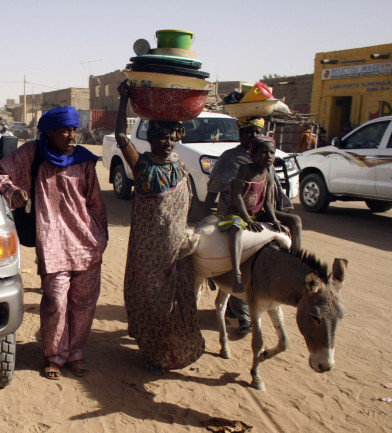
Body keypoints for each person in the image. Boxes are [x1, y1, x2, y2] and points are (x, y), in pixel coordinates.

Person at [0, 105, 108, 380]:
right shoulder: (33, 153)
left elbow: (97, 204)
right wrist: (12, 190)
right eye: (65, 130)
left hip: (86, 243)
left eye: (74, 130)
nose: (71, 135)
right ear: (49, 132)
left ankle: (75, 353)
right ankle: (54, 356)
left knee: (83, 303)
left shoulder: (85, 160)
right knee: (55, 300)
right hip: (52, 242)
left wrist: (100, 239)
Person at [115, 81, 204, 375]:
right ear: (151, 141)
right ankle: (153, 353)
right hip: (148, 253)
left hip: (175, 248)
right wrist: (124, 99)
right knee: (151, 301)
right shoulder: (143, 167)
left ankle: (173, 348)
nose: (167, 143)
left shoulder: (179, 167)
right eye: (161, 138)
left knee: (176, 301)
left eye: (171, 138)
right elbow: (119, 135)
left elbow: (186, 205)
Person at [203, 116, 301, 332]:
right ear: (240, 134)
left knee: (285, 233)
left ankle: (294, 265)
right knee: (244, 251)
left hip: (261, 211)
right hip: (236, 211)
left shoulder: (266, 158)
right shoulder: (230, 158)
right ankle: (242, 309)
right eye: (247, 132)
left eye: (256, 132)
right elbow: (215, 187)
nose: (252, 136)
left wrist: (277, 217)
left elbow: (271, 193)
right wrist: (204, 213)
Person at [217, 136, 286, 292]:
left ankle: (295, 260)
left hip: (257, 213)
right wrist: (247, 220)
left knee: (294, 221)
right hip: (238, 213)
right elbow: (238, 196)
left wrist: (274, 219)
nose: (268, 156)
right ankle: (237, 274)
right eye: (263, 152)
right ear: (253, 155)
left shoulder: (269, 176)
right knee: (236, 228)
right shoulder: (245, 170)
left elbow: (267, 203)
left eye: (272, 152)